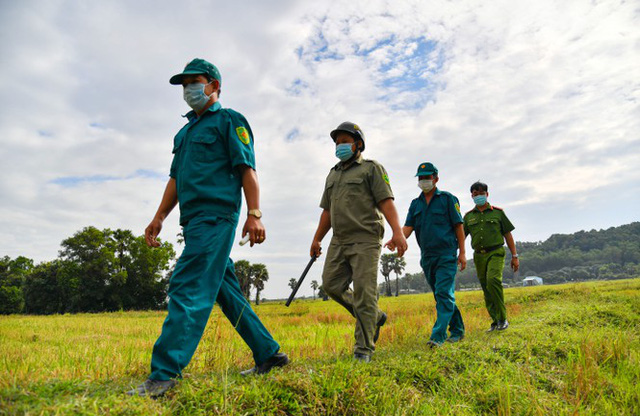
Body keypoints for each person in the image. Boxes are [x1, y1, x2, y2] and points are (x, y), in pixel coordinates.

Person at [128, 58, 288, 398]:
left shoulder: (229, 120)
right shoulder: (184, 133)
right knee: (223, 288)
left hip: (217, 217)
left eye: (195, 82)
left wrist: (254, 213)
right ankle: (269, 354)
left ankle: (164, 375)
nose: (189, 90)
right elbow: (176, 179)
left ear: (214, 85)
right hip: (194, 222)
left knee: (187, 286)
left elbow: (247, 170)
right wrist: (159, 217)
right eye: (184, 85)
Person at [310, 122, 408, 363]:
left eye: (345, 141)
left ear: (358, 144)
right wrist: (316, 238)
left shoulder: (371, 169)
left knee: (365, 293)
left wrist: (398, 232)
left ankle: (363, 349)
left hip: (365, 238)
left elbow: (386, 201)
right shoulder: (332, 174)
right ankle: (374, 315)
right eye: (337, 142)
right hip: (339, 240)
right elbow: (327, 211)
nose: (340, 146)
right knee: (331, 285)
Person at [399, 162, 466, 347]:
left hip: (446, 254)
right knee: (441, 295)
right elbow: (408, 227)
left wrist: (462, 252)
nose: (424, 181)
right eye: (421, 178)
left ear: (436, 178)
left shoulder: (448, 199)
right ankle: (458, 330)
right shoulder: (415, 204)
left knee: (443, 293)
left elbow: (458, 226)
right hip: (427, 257)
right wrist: (397, 239)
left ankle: (438, 336)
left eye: (427, 177)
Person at [463, 181, 518, 332]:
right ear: (471, 196)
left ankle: (502, 318)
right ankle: (495, 321)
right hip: (479, 256)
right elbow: (460, 237)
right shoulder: (468, 217)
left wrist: (515, 256)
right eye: (475, 194)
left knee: (493, 280)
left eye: (481, 194)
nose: (479, 196)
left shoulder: (498, 213)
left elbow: (508, 234)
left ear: (487, 194)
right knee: (486, 288)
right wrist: (459, 253)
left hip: (496, 252)